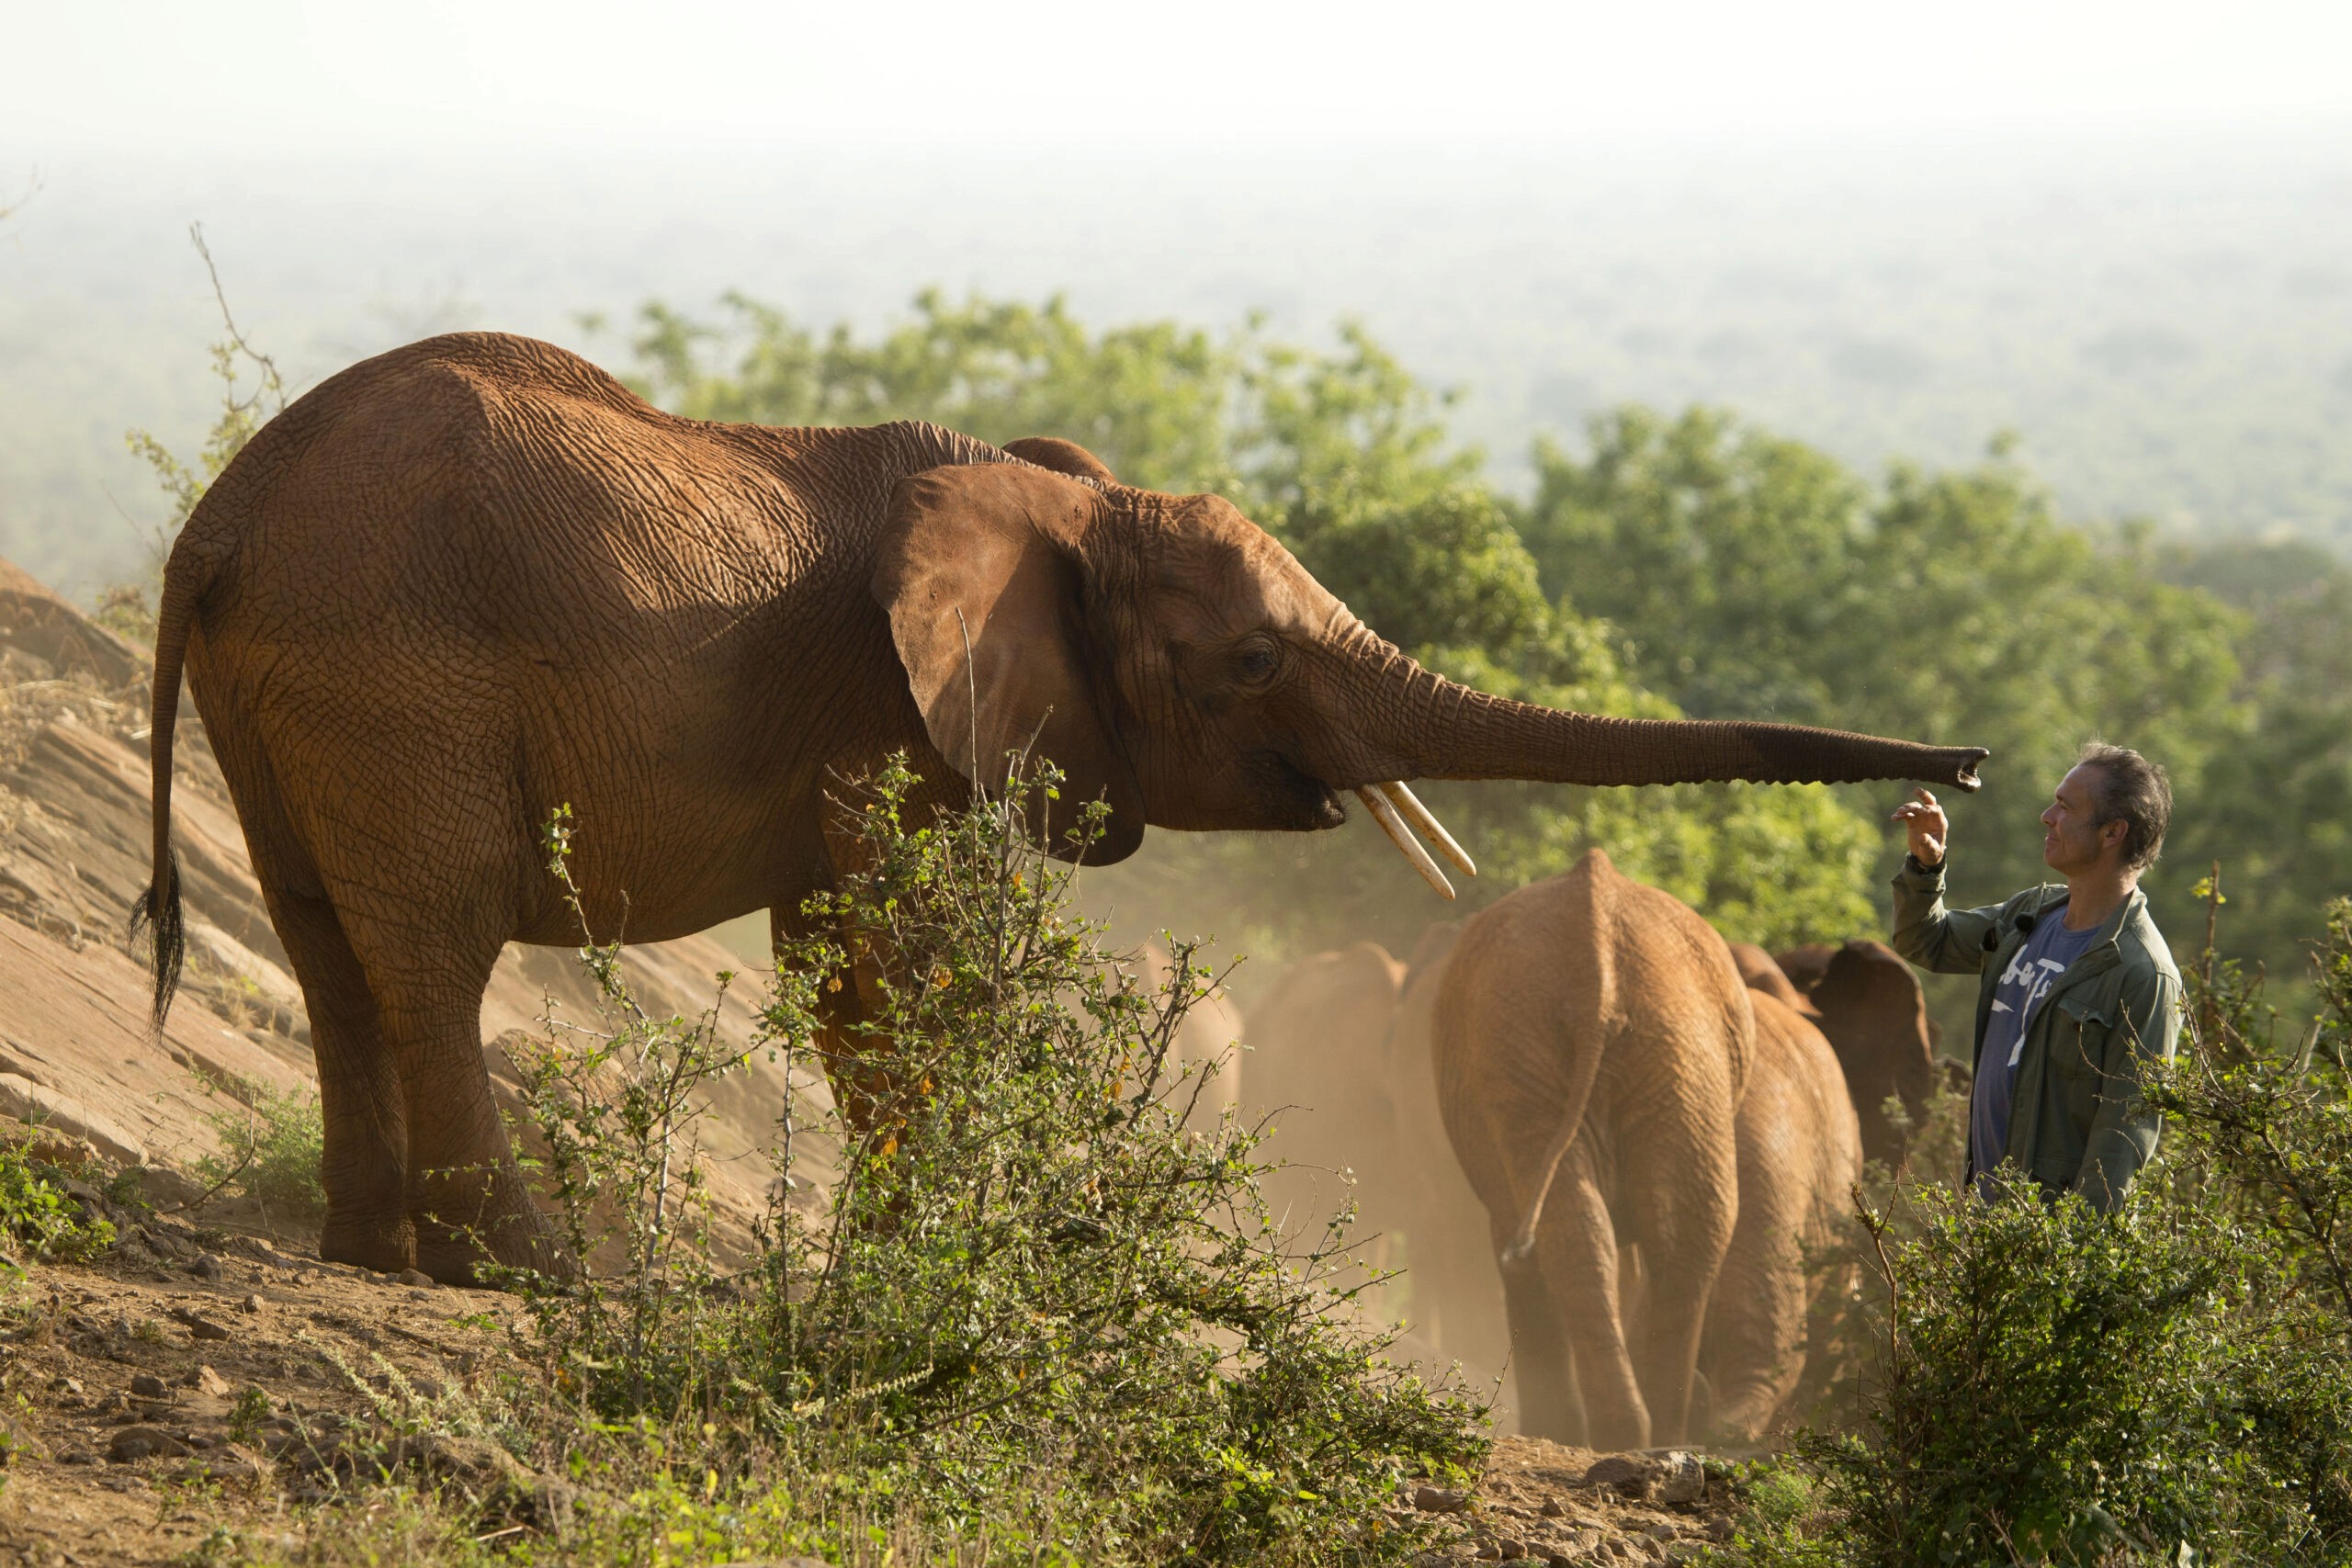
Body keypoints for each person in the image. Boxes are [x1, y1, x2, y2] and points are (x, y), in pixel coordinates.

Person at [1888, 742, 2181, 1209]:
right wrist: (1927, 867)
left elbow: (2121, 1142)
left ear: (2112, 833)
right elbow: (1927, 941)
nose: (2047, 816)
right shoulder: (2029, 915)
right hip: (1982, 1220)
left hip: (2041, 1247)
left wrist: (2060, 1260)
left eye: (2065, 807)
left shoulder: (2143, 974)